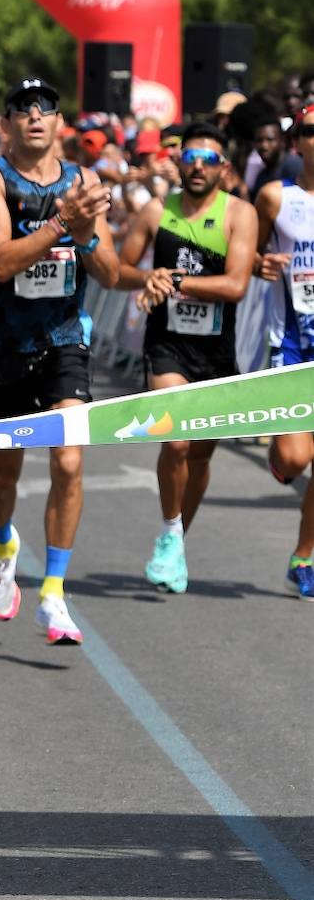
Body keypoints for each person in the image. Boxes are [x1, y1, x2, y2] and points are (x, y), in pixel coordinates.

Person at [0, 77, 118, 645]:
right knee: (3, 473)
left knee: (70, 463)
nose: (35, 115)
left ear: (59, 124)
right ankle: (5, 543)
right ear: (6, 123)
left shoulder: (84, 181)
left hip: (65, 339)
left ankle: (53, 593)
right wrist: (62, 223)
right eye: (23, 108)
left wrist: (123, 266)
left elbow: (101, 263)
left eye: (46, 108)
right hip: (4, 343)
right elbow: (1, 262)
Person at [115, 122, 257, 593]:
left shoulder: (240, 213)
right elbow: (118, 270)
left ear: (225, 169)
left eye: (209, 160)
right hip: (167, 345)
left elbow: (236, 285)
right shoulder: (157, 211)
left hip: (215, 351)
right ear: (177, 163)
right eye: (190, 158)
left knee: (199, 453)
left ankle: (175, 537)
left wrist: (174, 281)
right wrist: (145, 279)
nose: (198, 167)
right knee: (174, 440)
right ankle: (171, 533)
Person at [255, 107, 314, 600]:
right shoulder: (277, 197)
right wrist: (261, 263)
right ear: (298, 144)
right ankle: (282, 462)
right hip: (292, 343)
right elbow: (246, 254)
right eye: (311, 132)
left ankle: (304, 556)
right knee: (296, 459)